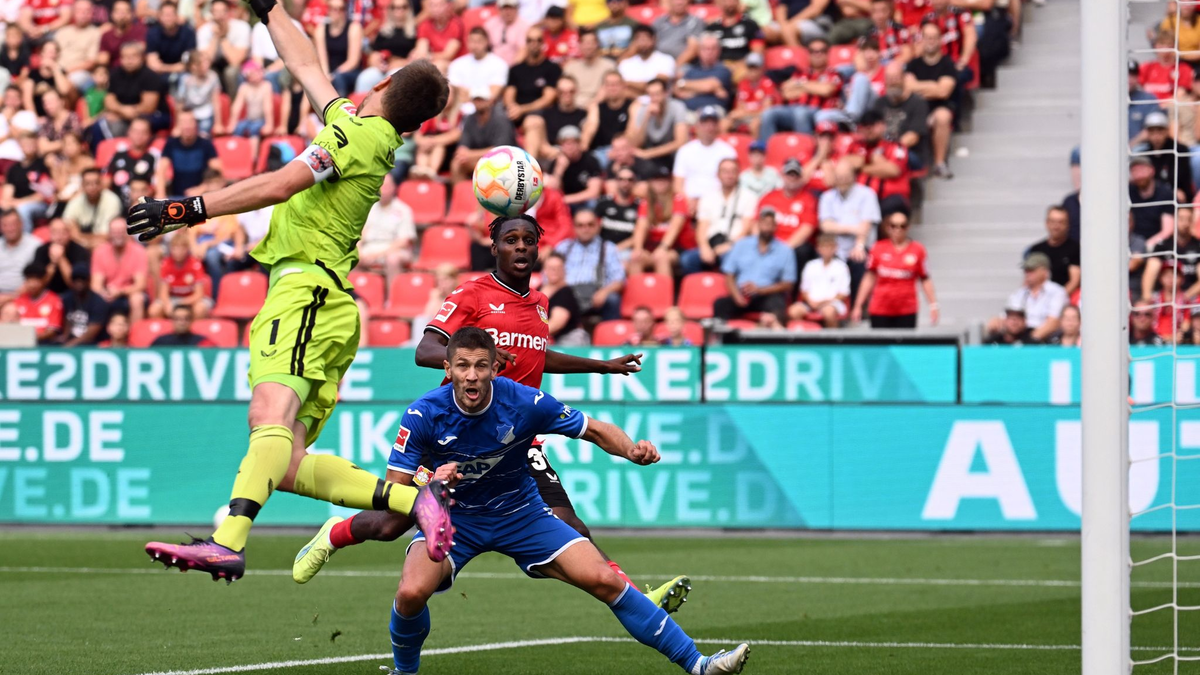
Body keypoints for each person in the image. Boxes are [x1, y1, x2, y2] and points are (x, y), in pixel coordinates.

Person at [132, 1, 454, 582]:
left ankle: (228, 541)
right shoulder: (363, 131)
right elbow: (306, 66)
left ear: (382, 83)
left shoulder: (355, 135)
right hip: (323, 299)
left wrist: (186, 209)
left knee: (268, 416)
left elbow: (283, 183)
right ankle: (413, 500)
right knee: (284, 462)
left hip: (306, 289)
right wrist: (271, 11)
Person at [294, 217, 689, 611]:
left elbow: (537, 356)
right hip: (457, 434)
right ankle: (335, 533)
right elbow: (425, 350)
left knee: (569, 524)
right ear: (495, 248)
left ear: (537, 249)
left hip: (516, 438)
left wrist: (600, 366)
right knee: (389, 523)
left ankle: (638, 598)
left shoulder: (540, 304)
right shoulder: (473, 294)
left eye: (528, 240)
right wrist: (482, 355)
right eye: (511, 240)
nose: (521, 247)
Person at [374, 327, 747, 675]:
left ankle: (699, 664)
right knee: (410, 593)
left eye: (481, 366)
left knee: (605, 579)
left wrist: (631, 450)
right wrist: (432, 484)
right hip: (455, 519)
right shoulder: (423, 413)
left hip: (521, 514)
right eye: (462, 366)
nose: (472, 376)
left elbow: (594, 429)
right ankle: (405, 672)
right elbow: (395, 491)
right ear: (447, 368)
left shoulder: (525, 402)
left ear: (495, 368)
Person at [850, 210, 937, 328]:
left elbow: (925, 278)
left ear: (908, 227)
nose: (898, 229)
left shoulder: (918, 250)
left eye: (902, 226)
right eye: (894, 226)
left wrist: (933, 305)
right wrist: (858, 305)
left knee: (905, 340)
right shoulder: (878, 248)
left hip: (906, 309)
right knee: (880, 340)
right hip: (880, 308)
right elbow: (869, 278)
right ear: (888, 227)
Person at [714, 209, 797, 325]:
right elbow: (729, 274)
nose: (767, 228)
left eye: (770, 224)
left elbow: (788, 284)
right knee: (720, 304)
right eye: (764, 223)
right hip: (742, 294)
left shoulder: (785, 250)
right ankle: (721, 335)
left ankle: (773, 333)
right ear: (758, 224)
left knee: (778, 305)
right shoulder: (742, 244)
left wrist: (760, 290)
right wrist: (736, 295)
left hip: (767, 295)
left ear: (775, 227)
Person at [759, 37, 843, 139]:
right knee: (769, 113)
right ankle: (768, 147)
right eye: (813, 51)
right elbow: (786, 93)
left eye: (822, 51)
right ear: (808, 54)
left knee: (801, 112)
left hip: (818, 111)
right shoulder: (800, 72)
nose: (817, 54)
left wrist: (800, 84)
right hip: (792, 109)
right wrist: (815, 87)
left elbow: (827, 90)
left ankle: (804, 146)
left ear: (827, 54)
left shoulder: (833, 73)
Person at [682, 158, 754, 275]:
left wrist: (729, 245)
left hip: (735, 246)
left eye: (733, 171)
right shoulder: (708, 197)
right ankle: (701, 285)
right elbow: (702, 227)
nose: (729, 175)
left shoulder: (748, 197)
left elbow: (746, 230)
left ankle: (723, 287)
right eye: (725, 171)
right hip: (711, 244)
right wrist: (704, 247)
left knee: (729, 259)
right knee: (687, 259)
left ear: (738, 174)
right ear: (718, 175)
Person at [818, 160, 879, 296]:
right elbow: (825, 226)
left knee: (859, 260)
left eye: (846, 177)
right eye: (839, 177)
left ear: (854, 176)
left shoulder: (867, 194)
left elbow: (865, 226)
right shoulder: (827, 197)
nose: (842, 180)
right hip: (835, 248)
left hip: (860, 245)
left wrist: (859, 245)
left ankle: (857, 305)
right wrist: (853, 229)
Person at [905, 21, 957, 178]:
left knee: (943, 116)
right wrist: (933, 86)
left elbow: (943, 92)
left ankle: (939, 163)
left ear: (940, 40)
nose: (931, 41)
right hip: (915, 112)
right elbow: (908, 88)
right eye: (927, 37)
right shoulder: (913, 64)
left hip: (936, 111)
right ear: (921, 39)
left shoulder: (947, 64)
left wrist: (919, 88)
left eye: (934, 37)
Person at [555, 209, 626, 320]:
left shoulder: (608, 248)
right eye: (580, 225)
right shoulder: (563, 248)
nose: (585, 229)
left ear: (597, 226)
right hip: (567, 295)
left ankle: (609, 331)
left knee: (613, 299)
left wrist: (604, 292)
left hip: (595, 295)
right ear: (574, 227)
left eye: (590, 224)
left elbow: (619, 280)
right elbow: (548, 275)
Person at [985, 252, 1068, 343]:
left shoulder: (1056, 292)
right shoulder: (1019, 293)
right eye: (1026, 271)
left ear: (1044, 271)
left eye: (1031, 270)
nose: (1027, 274)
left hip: (1044, 340)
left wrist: (1029, 341)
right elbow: (1006, 317)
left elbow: (1053, 323)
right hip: (1020, 335)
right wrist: (996, 321)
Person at [631, 163, 691, 277]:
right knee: (636, 258)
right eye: (656, 179)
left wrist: (663, 248)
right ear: (650, 182)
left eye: (664, 179)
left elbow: (675, 228)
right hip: (653, 247)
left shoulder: (678, 200)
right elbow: (641, 227)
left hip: (676, 247)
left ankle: (664, 289)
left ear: (670, 182)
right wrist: (638, 249)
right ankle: (636, 289)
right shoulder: (646, 202)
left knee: (661, 258)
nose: (660, 182)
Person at [672, 105, 737, 205]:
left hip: (717, 203)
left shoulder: (728, 151)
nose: (709, 127)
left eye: (713, 123)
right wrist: (688, 201)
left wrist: (707, 204)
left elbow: (732, 183)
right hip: (688, 202)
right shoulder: (685, 151)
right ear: (697, 126)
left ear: (718, 126)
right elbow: (678, 185)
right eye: (705, 122)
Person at [450, 87, 517, 182]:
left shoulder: (501, 119)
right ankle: (460, 191)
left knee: (493, 165)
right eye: (476, 99)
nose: (479, 102)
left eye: (482, 99)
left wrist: (470, 154)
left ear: (490, 100)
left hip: (504, 161)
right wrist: (462, 152)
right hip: (480, 159)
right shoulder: (469, 119)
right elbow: (464, 142)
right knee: (457, 163)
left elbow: (501, 150)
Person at [101, 42, 166, 139]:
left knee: (119, 127)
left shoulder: (151, 76)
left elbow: (148, 107)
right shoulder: (115, 74)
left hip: (152, 115)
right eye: (125, 57)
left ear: (142, 57)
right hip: (122, 112)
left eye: (133, 57)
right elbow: (109, 100)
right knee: (99, 125)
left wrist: (123, 114)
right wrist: (122, 110)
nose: (129, 60)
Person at [358, 173, 416, 279]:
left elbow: (404, 241)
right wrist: (359, 251)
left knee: (392, 259)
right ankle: (354, 289)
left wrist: (377, 255)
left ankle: (393, 290)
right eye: (381, 186)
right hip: (370, 248)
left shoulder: (403, 209)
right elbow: (360, 234)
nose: (383, 190)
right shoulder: (369, 208)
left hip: (393, 249)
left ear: (394, 187)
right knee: (351, 256)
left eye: (386, 187)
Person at [91, 218, 147, 324]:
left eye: (121, 231)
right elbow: (96, 285)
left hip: (128, 292)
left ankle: (134, 332)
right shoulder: (100, 251)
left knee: (137, 298)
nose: (118, 235)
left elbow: (140, 284)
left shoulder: (139, 251)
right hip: (107, 291)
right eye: (115, 231)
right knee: (96, 298)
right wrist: (105, 294)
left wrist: (120, 292)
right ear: (109, 233)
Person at [503, 25, 561, 126]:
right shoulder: (515, 69)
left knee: (534, 118)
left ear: (543, 43)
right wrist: (513, 109)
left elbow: (548, 99)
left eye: (538, 40)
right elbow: (509, 95)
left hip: (539, 111)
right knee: (498, 114)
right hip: (515, 112)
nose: (534, 44)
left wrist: (522, 109)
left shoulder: (553, 68)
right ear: (526, 43)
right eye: (530, 40)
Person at [626, 77, 689, 170]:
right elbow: (636, 143)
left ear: (666, 93)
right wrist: (646, 117)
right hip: (650, 154)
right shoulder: (644, 110)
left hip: (671, 154)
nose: (654, 98)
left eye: (657, 94)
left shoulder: (677, 107)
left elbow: (681, 142)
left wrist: (649, 153)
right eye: (651, 95)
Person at [791, 233, 850, 328]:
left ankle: (833, 337)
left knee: (828, 312)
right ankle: (803, 335)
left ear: (835, 248)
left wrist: (823, 303)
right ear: (818, 249)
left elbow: (843, 294)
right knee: (794, 311)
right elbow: (804, 290)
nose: (826, 250)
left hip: (832, 303)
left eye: (829, 247)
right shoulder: (810, 266)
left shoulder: (841, 267)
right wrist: (811, 302)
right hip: (810, 303)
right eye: (824, 247)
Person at [156, 112, 222, 198]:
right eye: (183, 122)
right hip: (177, 196)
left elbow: (217, 172)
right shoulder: (171, 144)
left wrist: (201, 188)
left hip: (201, 196)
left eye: (190, 122)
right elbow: (161, 171)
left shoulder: (206, 144)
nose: (187, 126)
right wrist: (160, 194)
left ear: (196, 124)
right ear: (178, 125)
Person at [1142, 206, 1200, 302]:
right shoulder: (1162, 246)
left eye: (1189, 219)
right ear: (1175, 220)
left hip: (1190, 298)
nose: (1185, 223)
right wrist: (1147, 299)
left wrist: (1183, 299)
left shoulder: (1198, 246)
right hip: (1163, 298)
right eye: (1181, 219)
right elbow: (1150, 273)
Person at [1134, 110, 1194, 201]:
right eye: (1152, 131)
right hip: (1152, 197)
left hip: (1175, 196)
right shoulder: (1143, 154)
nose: (1156, 136)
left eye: (1160, 131)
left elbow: (1181, 179)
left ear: (1167, 131)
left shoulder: (1179, 150)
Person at [525, 74, 587, 162]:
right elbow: (542, 146)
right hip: (549, 155)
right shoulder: (547, 113)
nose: (567, 94)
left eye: (571, 91)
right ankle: (529, 165)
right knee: (533, 121)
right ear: (557, 92)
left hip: (575, 157)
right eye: (562, 92)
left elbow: (584, 144)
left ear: (576, 91)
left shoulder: (583, 114)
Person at [151, 232, 211, 319]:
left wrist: (180, 303)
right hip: (173, 298)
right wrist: (168, 304)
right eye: (175, 249)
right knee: (154, 310)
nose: (178, 252)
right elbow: (163, 293)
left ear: (187, 249)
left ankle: (194, 328)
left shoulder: (195, 264)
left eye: (181, 249)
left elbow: (199, 295)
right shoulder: (166, 263)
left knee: (200, 309)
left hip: (191, 299)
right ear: (170, 249)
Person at [2, 132, 53, 232]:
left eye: (31, 144)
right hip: (17, 203)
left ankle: (24, 239)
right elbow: (7, 195)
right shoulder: (13, 169)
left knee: (23, 209)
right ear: (20, 145)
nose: (28, 147)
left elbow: (44, 194)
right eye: (25, 144)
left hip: (41, 205)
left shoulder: (43, 164)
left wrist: (19, 203)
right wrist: (8, 203)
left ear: (36, 144)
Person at [1026, 205, 1080, 298]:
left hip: (1066, 300)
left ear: (1068, 225)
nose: (1056, 226)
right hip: (1038, 299)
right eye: (1053, 221)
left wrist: (1057, 299)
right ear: (1047, 223)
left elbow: (1074, 281)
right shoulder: (1036, 249)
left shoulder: (1075, 249)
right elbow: (1029, 278)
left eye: (1061, 222)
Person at [446, 27, 508, 107]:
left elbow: (493, 94)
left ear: (487, 42)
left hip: (489, 109)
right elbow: (455, 93)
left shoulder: (500, 64)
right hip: (460, 108)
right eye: (472, 41)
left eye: (479, 41)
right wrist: (481, 94)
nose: (475, 45)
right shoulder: (456, 64)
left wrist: (468, 93)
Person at [64, 168, 126, 246]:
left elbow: (107, 236)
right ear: (82, 186)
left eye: (96, 183)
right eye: (88, 184)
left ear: (101, 184)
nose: (92, 187)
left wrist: (82, 237)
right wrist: (85, 241)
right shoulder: (75, 202)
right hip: (80, 246)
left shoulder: (112, 200)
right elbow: (69, 231)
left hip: (107, 245)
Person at [228, 60, 276, 160]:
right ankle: (237, 155)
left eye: (257, 73)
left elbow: (268, 106)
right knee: (238, 128)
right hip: (249, 119)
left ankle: (253, 158)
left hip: (261, 120)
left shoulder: (266, 86)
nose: (256, 76)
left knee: (254, 129)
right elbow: (237, 106)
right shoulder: (244, 87)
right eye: (252, 74)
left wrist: (269, 124)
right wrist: (232, 123)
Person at [314, 0, 363, 97]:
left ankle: (340, 104)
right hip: (330, 73)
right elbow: (323, 60)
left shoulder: (354, 28)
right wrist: (326, 76)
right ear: (328, 10)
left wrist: (334, 74)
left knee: (338, 78)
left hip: (349, 73)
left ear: (345, 10)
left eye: (340, 9)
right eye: (332, 8)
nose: (336, 12)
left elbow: (353, 62)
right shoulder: (321, 30)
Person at [539, 251, 589, 345]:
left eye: (558, 268)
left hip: (567, 339)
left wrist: (532, 335)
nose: (554, 271)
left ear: (564, 270)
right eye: (551, 268)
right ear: (544, 270)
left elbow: (557, 323)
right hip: (544, 338)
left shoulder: (566, 292)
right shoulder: (538, 290)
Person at [104, 117, 156, 204]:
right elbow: (106, 181)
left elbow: (156, 186)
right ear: (129, 132)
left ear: (149, 135)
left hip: (143, 204)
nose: (139, 135)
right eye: (136, 131)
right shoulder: (118, 155)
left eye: (143, 132)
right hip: (117, 204)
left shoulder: (154, 157)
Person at [728, 52, 779, 138]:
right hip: (745, 116)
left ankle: (756, 146)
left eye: (755, 68)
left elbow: (767, 111)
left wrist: (745, 114)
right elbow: (740, 107)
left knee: (754, 125)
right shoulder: (743, 83)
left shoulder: (767, 83)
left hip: (759, 117)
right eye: (750, 68)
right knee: (725, 123)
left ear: (761, 69)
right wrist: (739, 114)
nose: (752, 72)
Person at [33, 218, 90, 294]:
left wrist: (61, 258)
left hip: (72, 295)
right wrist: (53, 264)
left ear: (69, 233)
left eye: (63, 233)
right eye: (55, 233)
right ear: (50, 234)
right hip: (47, 294)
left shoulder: (80, 251)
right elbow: (37, 285)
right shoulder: (41, 250)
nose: (59, 237)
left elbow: (76, 285)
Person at [552, 125, 603, 210]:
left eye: (573, 143)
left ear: (579, 144)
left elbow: (594, 192)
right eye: (565, 143)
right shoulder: (557, 162)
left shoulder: (590, 160)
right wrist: (559, 171)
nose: (570, 147)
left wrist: (565, 199)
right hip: (564, 203)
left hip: (584, 201)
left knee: (593, 203)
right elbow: (552, 191)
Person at [58, 262, 108, 347]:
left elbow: (91, 332)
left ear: (89, 281)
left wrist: (70, 345)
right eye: (76, 279)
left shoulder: (98, 302)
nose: (79, 282)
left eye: (83, 279)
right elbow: (67, 320)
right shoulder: (67, 298)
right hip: (70, 340)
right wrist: (64, 338)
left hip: (91, 344)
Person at [618, 24, 676, 95]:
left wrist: (629, 84)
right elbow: (619, 87)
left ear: (653, 39)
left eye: (645, 39)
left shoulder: (666, 60)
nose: (642, 43)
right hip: (632, 100)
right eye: (638, 39)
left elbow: (656, 87)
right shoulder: (625, 63)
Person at [175, 50, 223, 136]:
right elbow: (180, 104)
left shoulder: (213, 77)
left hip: (206, 113)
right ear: (193, 66)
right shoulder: (185, 79)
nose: (207, 65)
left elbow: (216, 101)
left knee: (203, 133)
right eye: (203, 63)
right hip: (189, 113)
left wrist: (218, 124)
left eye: (207, 62)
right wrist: (178, 126)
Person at [13, 262, 63, 344]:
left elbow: (52, 331)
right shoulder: (19, 300)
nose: (32, 284)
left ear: (44, 280)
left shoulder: (54, 300)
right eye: (29, 280)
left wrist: (30, 338)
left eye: (36, 280)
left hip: (44, 345)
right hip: (20, 344)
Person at [595, 163, 641, 249]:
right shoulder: (603, 203)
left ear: (635, 182)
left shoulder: (640, 206)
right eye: (621, 179)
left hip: (627, 250)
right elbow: (594, 229)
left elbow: (640, 235)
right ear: (616, 181)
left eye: (630, 180)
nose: (625, 183)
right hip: (602, 248)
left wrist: (615, 250)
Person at [564, 28, 615, 105]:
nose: (588, 47)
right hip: (573, 106)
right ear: (579, 45)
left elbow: (610, 90)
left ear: (597, 44)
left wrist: (593, 104)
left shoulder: (609, 66)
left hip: (600, 105)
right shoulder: (570, 67)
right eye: (585, 43)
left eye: (591, 43)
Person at [146, 2, 196, 79]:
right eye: (165, 15)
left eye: (171, 15)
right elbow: (152, 63)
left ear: (177, 16)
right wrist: (172, 68)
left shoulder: (188, 33)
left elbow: (188, 64)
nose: (168, 18)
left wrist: (163, 68)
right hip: (159, 74)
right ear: (159, 17)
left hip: (183, 73)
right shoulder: (153, 33)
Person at [0, 209, 39, 305]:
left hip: (23, 297)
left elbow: (36, 280)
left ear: (21, 224)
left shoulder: (35, 246)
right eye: (5, 225)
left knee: (10, 311)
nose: (10, 229)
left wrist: (9, 297)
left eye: (13, 224)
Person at [652, 0, 704, 66]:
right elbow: (651, 44)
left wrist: (674, 67)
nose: (680, 2)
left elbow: (693, 49)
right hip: (658, 63)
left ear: (688, 2)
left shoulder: (695, 21)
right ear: (669, 2)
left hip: (684, 65)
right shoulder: (659, 21)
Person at [484, 0, 530, 66]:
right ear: (499, 10)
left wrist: (511, 68)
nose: (508, 12)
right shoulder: (490, 24)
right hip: (492, 65)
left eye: (511, 8)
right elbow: (483, 46)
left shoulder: (524, 26)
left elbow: (523, 51)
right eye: (505, 8)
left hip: (515, 66)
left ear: (516, 9)